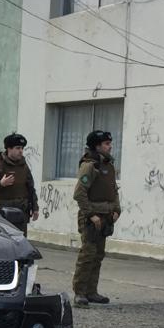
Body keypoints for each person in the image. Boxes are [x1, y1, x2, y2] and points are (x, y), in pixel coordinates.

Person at [72, 130, 120, 307]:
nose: (110, 146)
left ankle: (92, 291)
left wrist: (117, 210)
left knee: (98, 255)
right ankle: (80, 293)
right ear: (97, 146)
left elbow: (114, 190)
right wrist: (91, 214)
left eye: (109, 143)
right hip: (92, 219)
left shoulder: (108, 165)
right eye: (106, 143)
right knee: (87, 255)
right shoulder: (90, 166)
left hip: (106, 217)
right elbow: (79, 194)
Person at [0, 133, 39, 232]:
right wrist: (0, 184)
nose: (21, 151)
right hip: (5, 213)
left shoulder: (24, 166)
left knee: (21, 241)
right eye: (17, 148)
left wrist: (35, 208)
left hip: (22, 213)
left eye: (22, 148)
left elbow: (30, 188)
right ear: (9, 149)